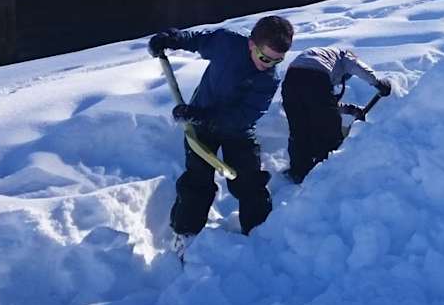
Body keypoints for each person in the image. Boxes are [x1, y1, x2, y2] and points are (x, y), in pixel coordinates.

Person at [148, 15, 295, 242]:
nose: (269, 65)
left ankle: (260, 234)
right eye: (265, 58)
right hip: (200, 127)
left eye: (277, 61)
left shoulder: (268, 79)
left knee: (250, 182)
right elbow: (196, 40)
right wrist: (171, 38)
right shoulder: (227, 43)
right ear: (251, 44)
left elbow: (244, 116)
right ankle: (185, 234)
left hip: (237, 130)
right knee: (197, 181)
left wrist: (201, 116)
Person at [282, 46, 393, 183]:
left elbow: (324, 106)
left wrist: (351, 109)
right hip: (315, 77)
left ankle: (298, 171)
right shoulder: (343, 56)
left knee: (299, 129)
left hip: (290, 82)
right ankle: (328, 173)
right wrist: (377, 82)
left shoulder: (319, 58)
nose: (340, 81)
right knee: (330, 129)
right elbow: (357, 66)